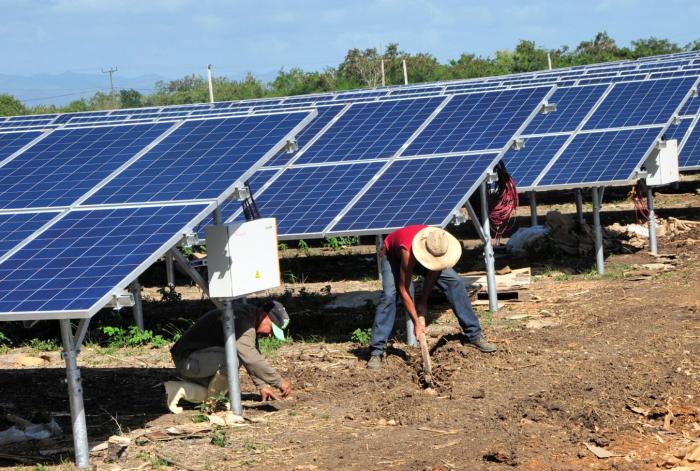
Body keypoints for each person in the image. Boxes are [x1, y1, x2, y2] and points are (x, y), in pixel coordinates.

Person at [367, 225, 497, 370]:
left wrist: (423, 303)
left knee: (455, 282)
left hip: (423, 253)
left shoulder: (438, 243)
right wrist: (416, 321)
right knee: (389, 296)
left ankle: (473, 335)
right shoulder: (407, 252)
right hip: (393, 256)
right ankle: (377, 351)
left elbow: (432, 274)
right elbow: (404, 289)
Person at [165, 301, 292, 413]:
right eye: (271, 330)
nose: (270, 336)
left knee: (221, 394)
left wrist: (262, 385)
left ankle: (177, 389)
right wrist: (279, 381)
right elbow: (250, 357)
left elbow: (252, 353)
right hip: (188, 360)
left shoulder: (250, 316)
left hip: (198, 359)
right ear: (265, 316)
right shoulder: (244, 321)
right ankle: (212, 404)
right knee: (233, 360)